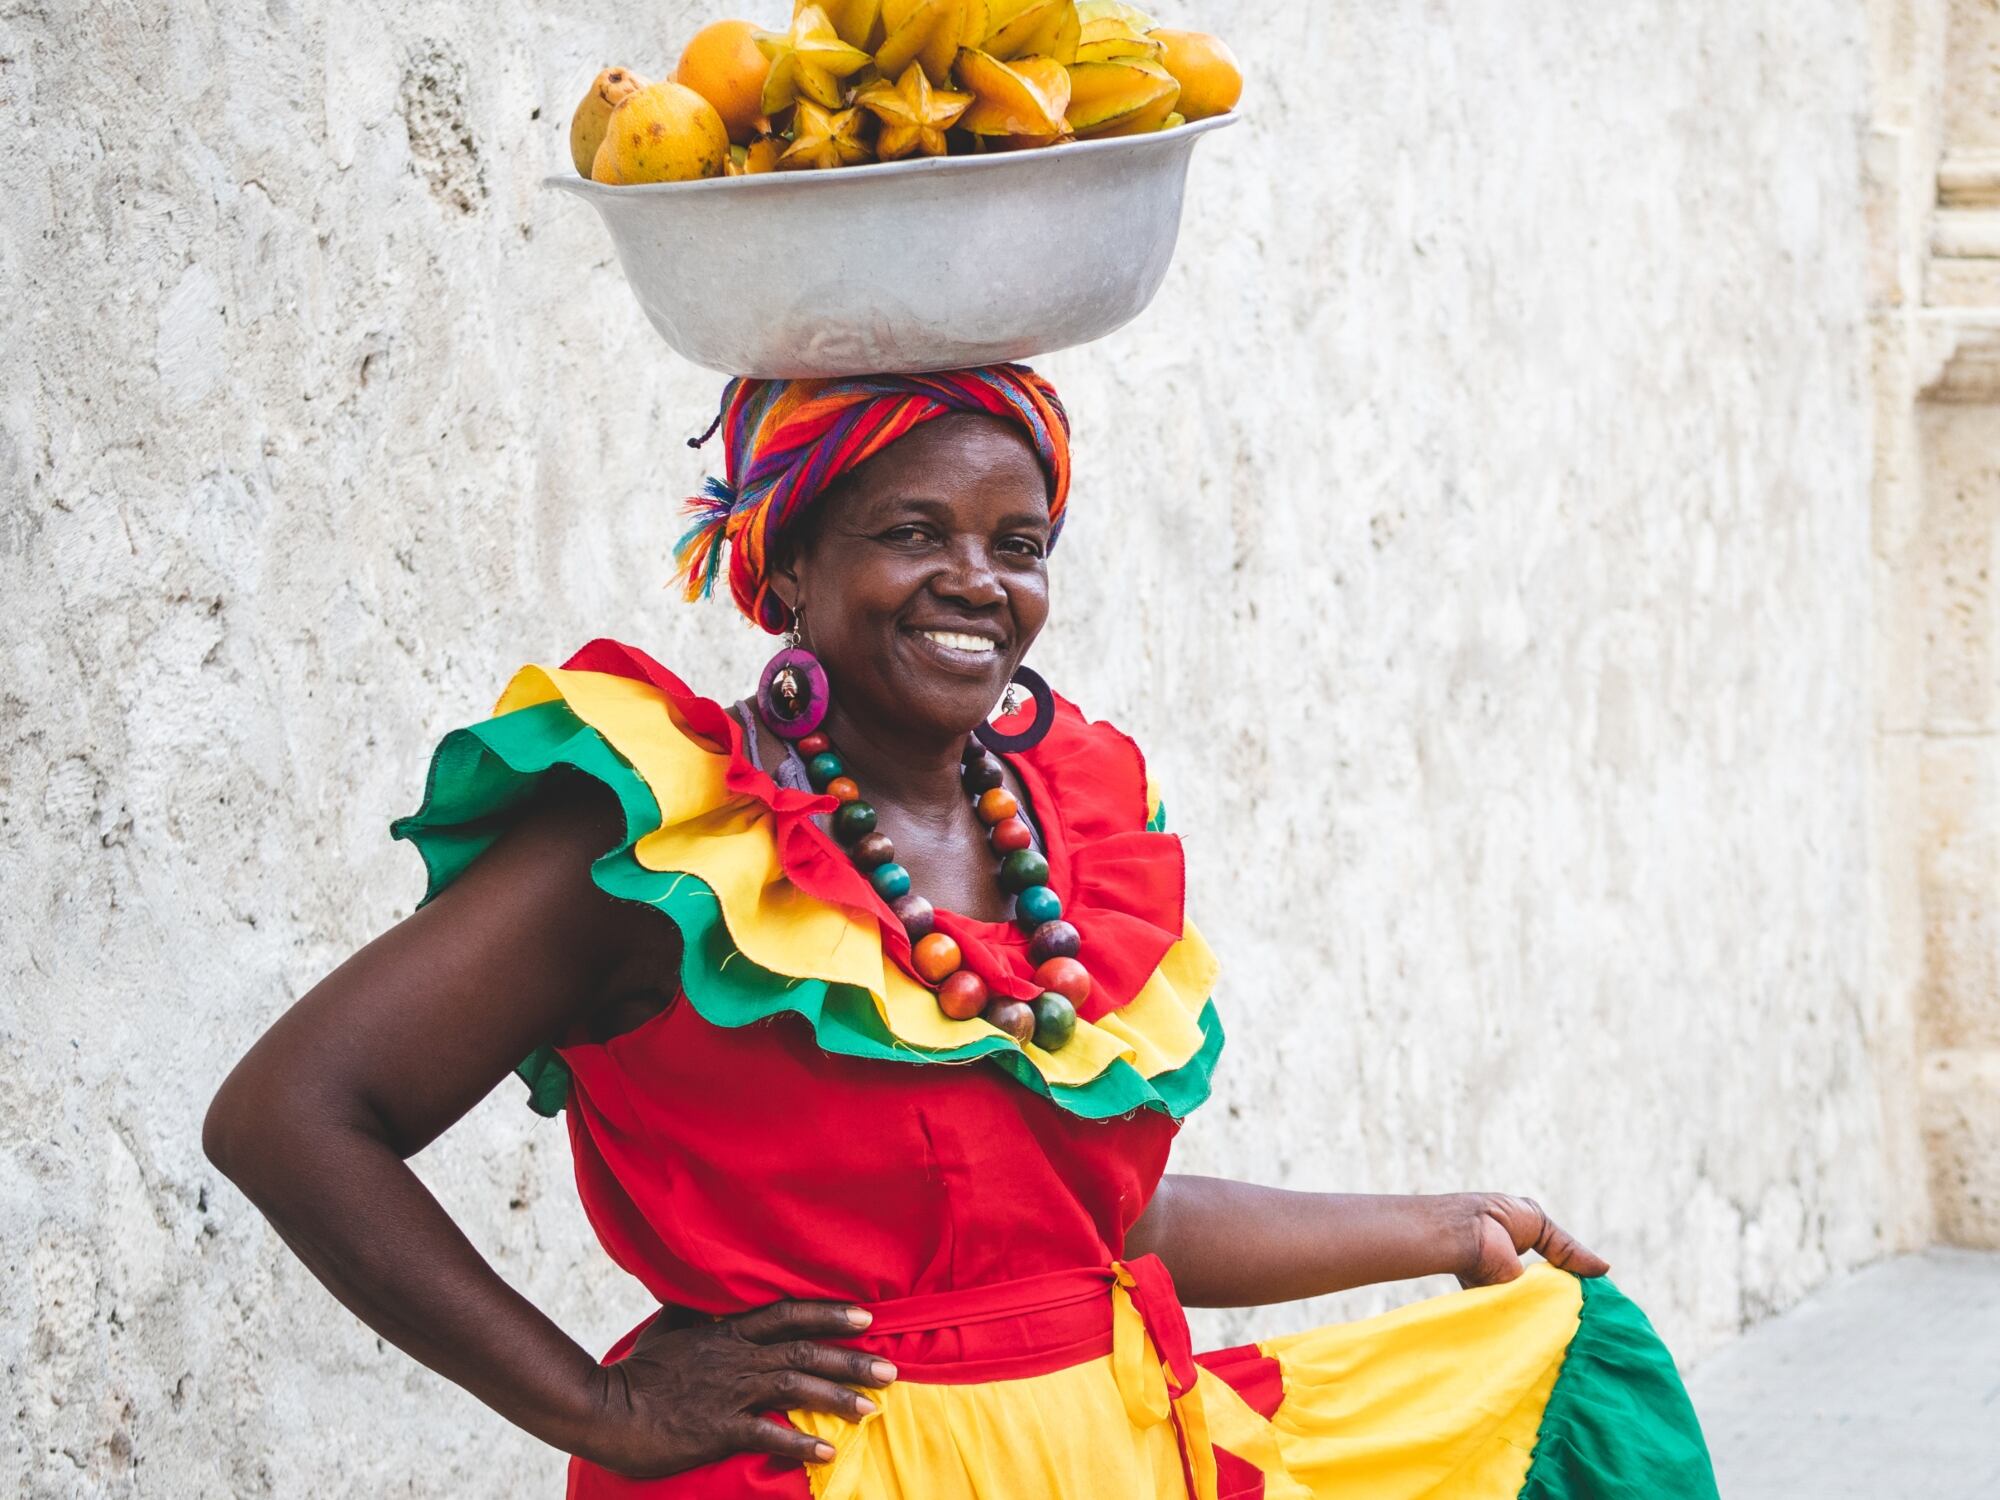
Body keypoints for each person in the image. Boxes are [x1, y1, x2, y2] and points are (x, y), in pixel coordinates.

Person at [204, 366, 1716, 1498]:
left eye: (1019, 540)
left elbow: (1086, 1235)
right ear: (786, 563)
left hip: (1108, 1457)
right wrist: (590, 1410)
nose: (976, 582)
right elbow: (291, 1116)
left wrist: (1443, 1226)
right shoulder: (662, 842)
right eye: (911, 530)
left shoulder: (1069, 838)